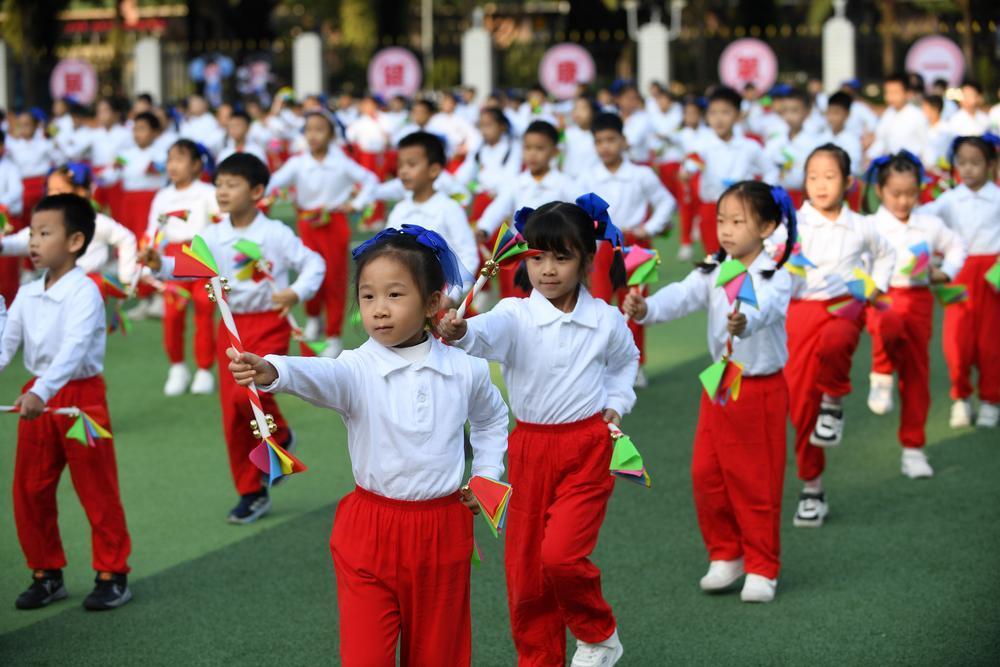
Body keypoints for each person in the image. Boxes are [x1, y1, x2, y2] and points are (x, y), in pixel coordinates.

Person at [227, 225, 508, 666]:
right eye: (368, 296)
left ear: (433, 302)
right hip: (368, 530)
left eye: (395, 295)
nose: (379, 310)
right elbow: (321, 375)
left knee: (440, 655)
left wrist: (486, 476)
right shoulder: (355, 368)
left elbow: (492, 418)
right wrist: (273, 369)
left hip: (443, 530)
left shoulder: (465, 369)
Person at [438, 195, 639, 667]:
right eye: (536, 257)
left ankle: (598, 634)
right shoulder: (515, 313)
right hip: (527, 449)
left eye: (561, 257)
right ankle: (539, 659)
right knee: (526, 574)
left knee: (562, 557)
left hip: (589, 448)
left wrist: (616, 403)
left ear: (586, 260)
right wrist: (458, 330)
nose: (547, 269)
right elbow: (479, 335)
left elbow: (626, 362)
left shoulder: (605, 320)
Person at [624, 181, 796, 603]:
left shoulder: (778, 273)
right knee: (707, 475)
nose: (726, 230)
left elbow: (767, 307)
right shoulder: (714, 267)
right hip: (719, 386)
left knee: (756, 481)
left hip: (759, 388)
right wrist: (647, 309)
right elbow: (682, 295)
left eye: (738, 221)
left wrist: (746, 321)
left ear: (769, 226)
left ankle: (762, 566)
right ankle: (726, 555)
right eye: (722, 220)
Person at [144, 154, 325, 523]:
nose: (222, 191)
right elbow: (187, 268)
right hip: (230, 326)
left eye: (232, 184)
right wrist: (157, 264)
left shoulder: (275, 233)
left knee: (252, 396)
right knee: (233, 411)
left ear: (257, 191)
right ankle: (251, 491)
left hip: (269, 323)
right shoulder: (212, 235)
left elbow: (314, 264)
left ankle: (282, 436)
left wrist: (296, 292)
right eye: (220, 184)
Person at [0, 194, 133, 611]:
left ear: (76, 241)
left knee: (97, 488)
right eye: (31, 234)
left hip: (80, 399)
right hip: (38, 395)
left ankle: (113, 573)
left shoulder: (86, 292)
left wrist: (42, 391)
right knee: (29, 489)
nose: (34, 242)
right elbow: (5, 348)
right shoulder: (26, 293)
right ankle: (45, 572)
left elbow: (74, 350)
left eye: (44, 233)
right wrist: (37, 390)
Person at [785, 143, 895, 527]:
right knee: (800, 409)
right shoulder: (791, 224)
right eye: (812, 176)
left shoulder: (863, 225)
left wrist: (872, 289)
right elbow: (769, 261)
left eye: (829, 176)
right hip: (798, 314)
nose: (820, 184)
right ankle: (812, 489)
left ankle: (834, 399)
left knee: (836, 344)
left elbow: (886, 255)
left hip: (845, 306)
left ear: (848, 182)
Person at [864, 151, 966, 476]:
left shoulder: (929, 224)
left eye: (911, 193)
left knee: (916, 373)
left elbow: (956, 246)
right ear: (880, 190)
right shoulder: (869, 225)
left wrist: (945, 272)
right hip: (881, 296)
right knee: (888, 324)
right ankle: (880, 372)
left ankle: (913, 448)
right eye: (896, 193)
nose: (903, 201)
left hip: (919, 298)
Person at [269, 111, 378, 357]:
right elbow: (273, 182)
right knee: (309, 272)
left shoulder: (341, 161)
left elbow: (370, 180)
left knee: (334, 279)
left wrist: (356, 204)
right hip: (308, 224)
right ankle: (313, 318)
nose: (313, 135)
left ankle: (333, 335)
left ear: (330, 133)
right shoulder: (298, 162)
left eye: (320, 129)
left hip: (335, 223)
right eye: (309, 129)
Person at [584, 112, 676, 387]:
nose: (606, 146)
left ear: (624, 141)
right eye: (599, 141)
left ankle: (635, 365)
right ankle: (602, 364)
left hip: (637, 245)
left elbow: (666, 202)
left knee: (635, 305)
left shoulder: (641, 174)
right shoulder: (589, 177)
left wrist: (649, 227)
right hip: (602, 248)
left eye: (611, 140)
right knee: (599, 306)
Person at [920, 135, 1000, 428]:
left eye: (976, 163)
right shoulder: (950, 199)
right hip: (958, 275)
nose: (968, 169)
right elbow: (921, 218)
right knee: (957, 342)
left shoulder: (998, 197)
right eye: (962, 162)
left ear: (991, 165)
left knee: (991, 344)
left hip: (992, 277)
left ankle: (991, 399)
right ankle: (961, 397)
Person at [145, 140, 220, 396]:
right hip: (172, 259)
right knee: (173, 315)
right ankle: (177, 367)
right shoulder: (163, 196)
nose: (173, 165)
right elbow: (153, 231)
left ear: (197, 164)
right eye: (169, 159)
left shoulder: (208, 192)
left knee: (203, 310)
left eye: (180, 159)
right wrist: (149, 262)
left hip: (201, 255)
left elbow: (221, 222)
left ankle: (203, 369)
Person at [477, 120, 578, 298]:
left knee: (551, 300)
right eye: (528, 148)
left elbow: (581, 214)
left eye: (540, 148)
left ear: (554, 151)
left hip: (552, 253)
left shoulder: (564, 184)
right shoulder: (516, 183)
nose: (532, 154)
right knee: (516, 300)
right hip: (520, 252)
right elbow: (498, 207)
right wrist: (484, 228)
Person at [0, 163, 137, 285]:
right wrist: (4, 246)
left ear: (81, 192)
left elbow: (126, 238)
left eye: (59, 190)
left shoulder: (95, 222)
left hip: (89, 285)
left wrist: (126, 276)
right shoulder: (46, 222)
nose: (53, 195)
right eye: (50, 190)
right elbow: (24, 240)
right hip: (56, 285)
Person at [685, 86, 778, 255]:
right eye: (713, 113)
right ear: (706, 116)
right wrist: (686, 171)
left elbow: (770, 170)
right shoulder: (702, 145)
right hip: (711, 209)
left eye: (725, 112)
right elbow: (690, 165)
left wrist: (761, 196)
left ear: (737, 115)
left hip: (743, 208)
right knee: (714, 260)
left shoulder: (749, 146)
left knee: (742, 258)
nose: (719, 119)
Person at [385, 132, 478, 293]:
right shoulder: (399, 210)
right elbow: (387, 250)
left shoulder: (449, 208)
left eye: (411, 165)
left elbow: (468, 255)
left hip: (441, 296)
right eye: (401, 165)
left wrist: (452, 294)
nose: (403, 171)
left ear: (434, 170)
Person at [105, 111, 169, 239]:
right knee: (127, 237)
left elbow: (154, 171)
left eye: (142, 129)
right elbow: (112, 176)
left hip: (151, 201)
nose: (137, 134)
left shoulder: (162, 154)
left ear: (155, 132)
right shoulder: (125, 155)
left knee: (148, 236)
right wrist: (101, 177)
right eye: (135, 129)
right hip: (128, 202)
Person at [767, 88, 828, 207]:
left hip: (806, 198)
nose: (789, 116)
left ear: (807, 111)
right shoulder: (775, 142)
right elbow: (767, 169)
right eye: (785, 111)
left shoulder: (815, 143)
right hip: (778, 198)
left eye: (794, 111)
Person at [868, 73, 929, 160]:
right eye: (888, 92)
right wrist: (870, 157)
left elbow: (926, 145)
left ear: (908, 94)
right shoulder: (888, 114)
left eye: (895, 93)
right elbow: (880, 141)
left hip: (911, 166)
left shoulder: (917, 116)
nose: (890, 97)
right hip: (891, 165)